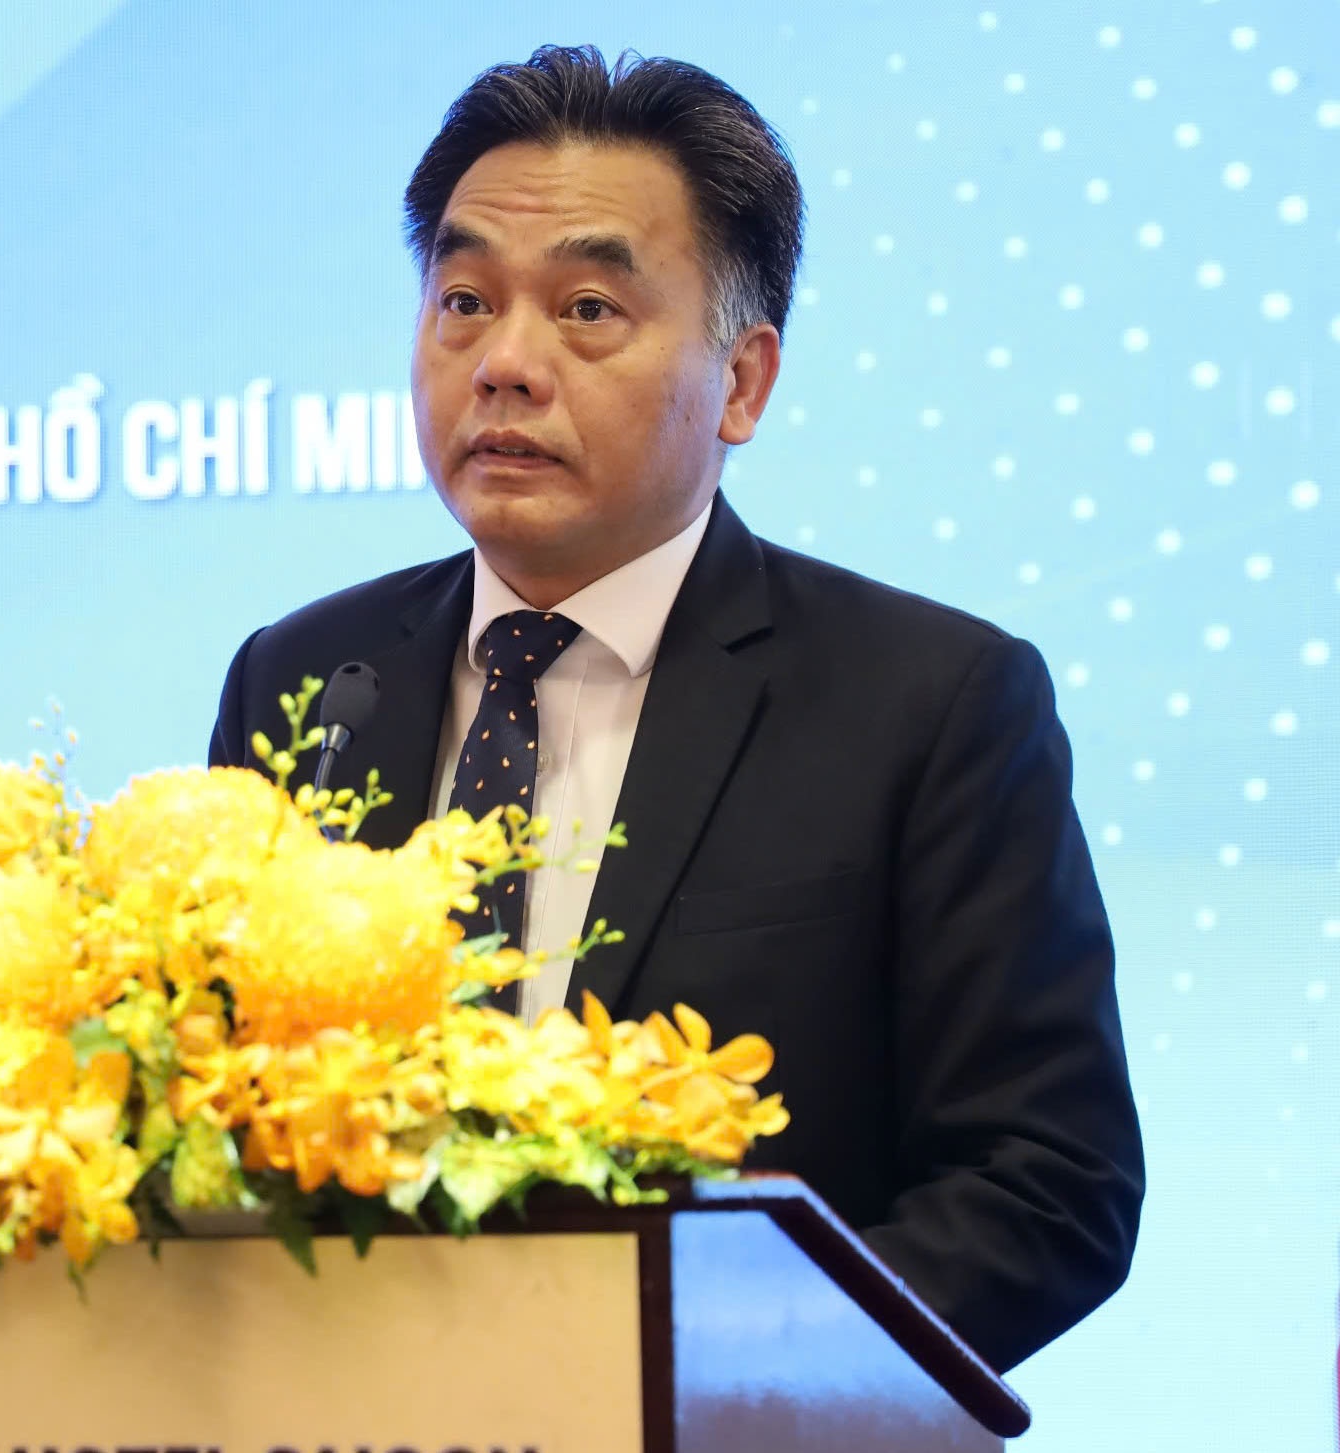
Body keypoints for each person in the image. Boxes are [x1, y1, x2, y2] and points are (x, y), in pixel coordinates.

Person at [208, 44, 1143, 1374]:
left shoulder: (930, 704)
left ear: (743, 382)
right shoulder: (306, 680)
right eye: (464, 300)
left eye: (587, 308)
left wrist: (687, 1375)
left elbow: (1046, 1184)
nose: (505, 362)